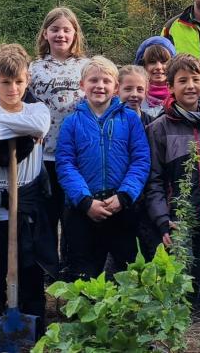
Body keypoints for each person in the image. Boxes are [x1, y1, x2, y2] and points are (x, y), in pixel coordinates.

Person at [0, 44, 56, 343]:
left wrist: (8, 126)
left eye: (19, 81)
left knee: (30, 274)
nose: (13, 88)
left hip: (27, 205)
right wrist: (22, 129)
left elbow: (40, 125)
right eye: (5, 82)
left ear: (27, 80)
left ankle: (32, 339)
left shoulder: (37, 110)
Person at [144, 54, 200, 315]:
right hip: (177, 216)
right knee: (180, 266)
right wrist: (162, 218)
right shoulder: (159, 128)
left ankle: (197, 317)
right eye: (183, 81)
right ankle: (179, 319)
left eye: (195, 79)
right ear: (170, 86)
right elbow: (154, 179)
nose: (191, 86)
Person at [55, 56, 151, 280]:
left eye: (106, 81)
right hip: (84, 210)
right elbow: (66, 164)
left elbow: (140, 160)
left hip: (121, 207)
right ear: (82, 85)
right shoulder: (71, 122)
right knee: (84, 275)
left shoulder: (130, 120)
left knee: (129, 273)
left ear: (116, 87)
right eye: (93, 80)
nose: (100, 86)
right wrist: (85, 201)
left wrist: (125, 195)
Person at [29, 7, 91, 277]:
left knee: (75, 217)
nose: (61, 35)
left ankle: (72, 272)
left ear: (75, 33)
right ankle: (47, 272)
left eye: (66, 29)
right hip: (42, 156)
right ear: (45, 33)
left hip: (77, 157)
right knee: (46, 217)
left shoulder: (86, 66)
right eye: (55, 29)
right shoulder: (34, 68)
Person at [134, 36, 177, 117]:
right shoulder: (134, 97)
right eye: (152, 62)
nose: (158, 67)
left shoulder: (180, 96)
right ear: (143, 66)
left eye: (164, 62)